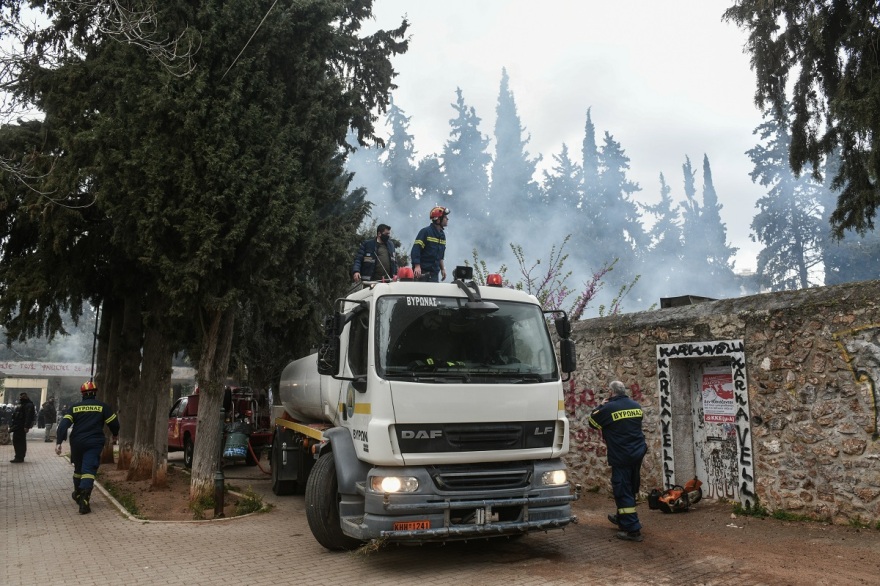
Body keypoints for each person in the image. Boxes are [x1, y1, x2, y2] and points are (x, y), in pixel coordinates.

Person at [588, 380, 648, 542]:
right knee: (631, 484)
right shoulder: (636, 406)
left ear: (611, 392)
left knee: (622, 488)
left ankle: (632, 529)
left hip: (621, 454)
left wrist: (600, 406)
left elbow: (592, 422)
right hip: (638, 452)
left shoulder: (608, 408)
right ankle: (622, 518)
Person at [55, 380, 120, 514]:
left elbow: (63, 425)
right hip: (94, 442)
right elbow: (114, 423)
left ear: (82, 394)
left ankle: (78, 494)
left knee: (78, 470)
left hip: (77, 442)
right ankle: (84, 501)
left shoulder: (74, 407)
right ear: (95, 393)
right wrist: (115, 435)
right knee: (88, 470)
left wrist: (59, 442)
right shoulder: (102, 407)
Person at [411, 206, 448, 282]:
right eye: (445, 217)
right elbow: (416, 249)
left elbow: (440, 256)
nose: (447, 219)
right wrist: (417, 266)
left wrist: (442, 269)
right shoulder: (425, 232)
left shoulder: (442, 235)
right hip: (422, 272)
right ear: (438, 220)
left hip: (434, 273)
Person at [9, 392, 36, 463]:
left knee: (20, 442)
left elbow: (29, 416)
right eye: (21, 396)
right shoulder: (20, 404)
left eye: (23, 396)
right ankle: (18, 456)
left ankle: (20, 457)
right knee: (16, 441)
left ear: (26, 397)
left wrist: (26, 426)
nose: (21, 398)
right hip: (17, 425)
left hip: (22, 426)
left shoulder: (29, 405)